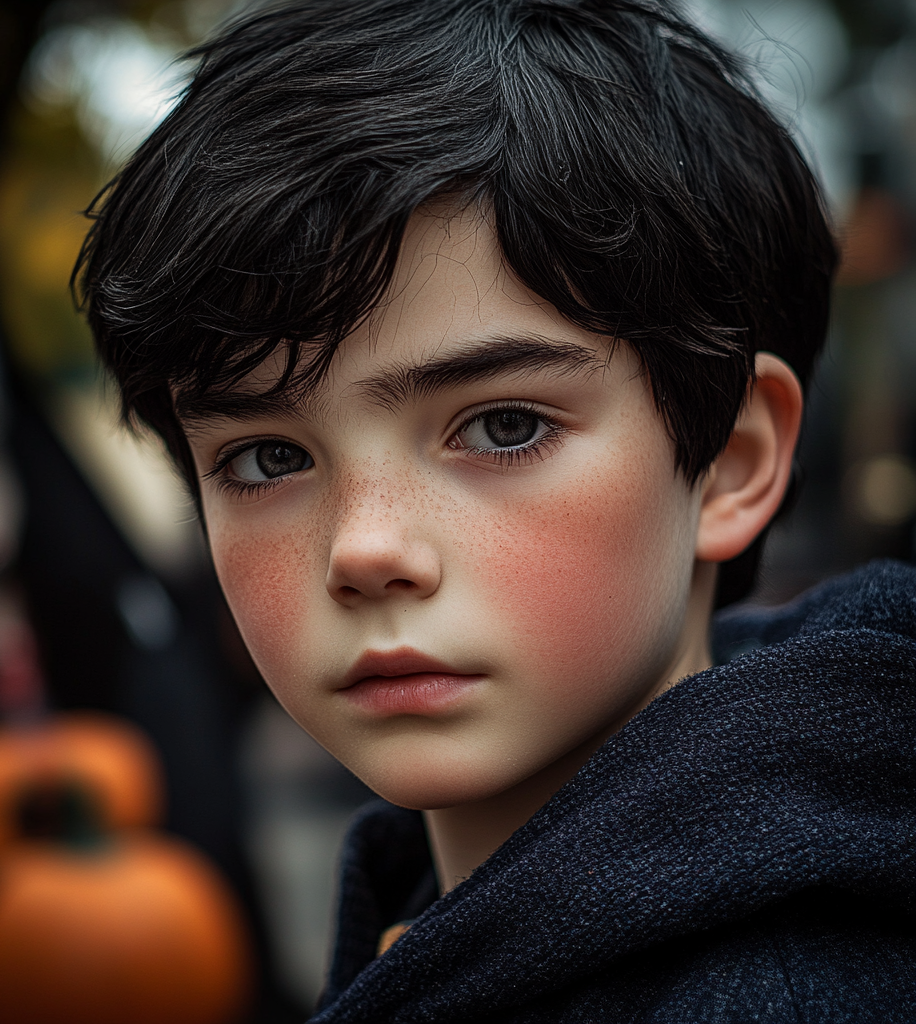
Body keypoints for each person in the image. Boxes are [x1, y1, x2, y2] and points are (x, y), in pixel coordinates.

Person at [75, 0, 915, 1019]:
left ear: (731, 464)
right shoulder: (429, 905)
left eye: (503, 426)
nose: (365, 548)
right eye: (266, 455)